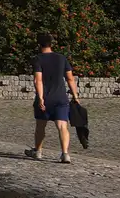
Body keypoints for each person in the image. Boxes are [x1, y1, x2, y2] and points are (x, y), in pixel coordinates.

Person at [26, 31, 80, 163]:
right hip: (60, 98)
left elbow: (37, 80)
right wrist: (75, 96)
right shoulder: (62, 58)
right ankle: (65, 154)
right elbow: (70, 78)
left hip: (46, 98)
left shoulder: (38, 59)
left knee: (40, 126)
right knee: (62, 126)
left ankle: (38, 151)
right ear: (51, 44)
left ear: (39, 45)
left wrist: (40, 97)